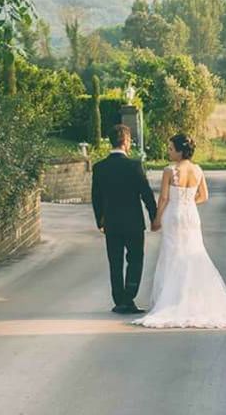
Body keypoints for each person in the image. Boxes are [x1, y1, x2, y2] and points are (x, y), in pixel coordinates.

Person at [133, 134, 226, 328]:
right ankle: (193, 298)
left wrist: (157, 219)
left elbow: (163, 199)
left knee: (172, 254)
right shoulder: (198, 169)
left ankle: (171, 300)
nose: (168, 151)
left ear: (180, 151)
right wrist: (188, 203)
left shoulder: (169, 170)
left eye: (171, 148)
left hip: (173, 215)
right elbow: (204, 196)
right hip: (191, 216)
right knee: (193, 253)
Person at [91, 124, 157, 314]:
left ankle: (119, 300)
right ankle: (129, 297)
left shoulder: (99, 167)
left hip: (111, 223)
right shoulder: (134, 166)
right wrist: (154, 217)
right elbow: (146, 194)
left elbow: (96, 197)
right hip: (133, 223)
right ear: (126, 142)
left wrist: (100, 221)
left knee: (115, 261)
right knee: (135, 260)